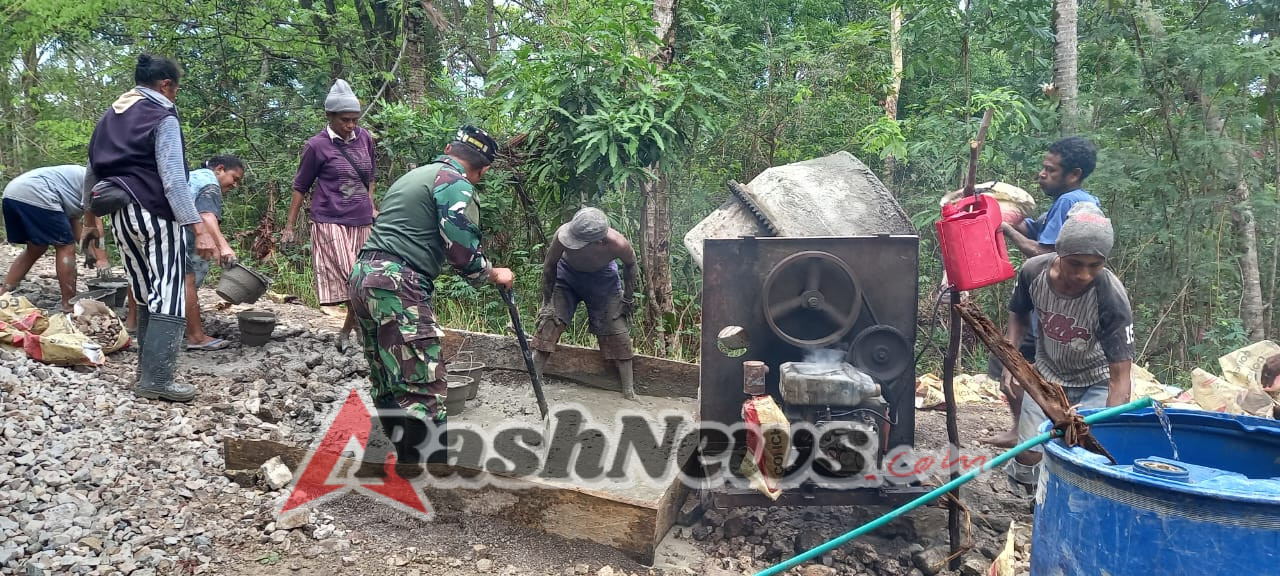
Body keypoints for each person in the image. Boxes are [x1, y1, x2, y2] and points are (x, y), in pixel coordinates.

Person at [348, 125, 513, 462]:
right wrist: (493, 273)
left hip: (364, 275)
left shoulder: (415, 176)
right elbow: (461, 251)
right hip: (397, 283)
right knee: (424, 383)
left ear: (449, 147)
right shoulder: (455, 183)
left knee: (386, 377)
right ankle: (436, 475)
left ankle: (408, 461)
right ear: (483, 169)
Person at [81, 53, 217, 403]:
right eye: (176, 90)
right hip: (156, 212)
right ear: (166, 85)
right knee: (169, 291)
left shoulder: (109, 117)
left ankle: (146, 374)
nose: (175, 97)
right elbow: (172, 179)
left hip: (121, 215)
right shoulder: (162, 115)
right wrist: (197, 226)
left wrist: (88, 218)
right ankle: (157, 379)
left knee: (143, 291)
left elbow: (91, 171)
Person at [1002, 203, 1133, 492]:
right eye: (1076, 263)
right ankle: (1023, 500)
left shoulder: (1111, 297)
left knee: (1081, 451)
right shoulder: (1033, 272)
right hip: (1048, 376)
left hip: (1094, 382)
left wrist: (1110, 425)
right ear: (1060, 254)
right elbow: (1018, 316)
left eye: (1094, 265)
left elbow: (1120, 376)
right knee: (1030, 451)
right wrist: (1011, 362)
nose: (1084, 274)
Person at [983, 136, 1103, 447]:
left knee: (1017, 365)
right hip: (1054, 310)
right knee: (1013, 364)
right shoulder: (1064, 205)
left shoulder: (1072, 201)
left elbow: (1042, 253)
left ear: (1073, 174)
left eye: (1050, 170)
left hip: (1054, 308)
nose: (1042, 174)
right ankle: (1023, 431)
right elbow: (1034, 231)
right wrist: (1006, 212)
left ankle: (1032, 437)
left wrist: (1004, 230)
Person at [282, 79, 378, 350]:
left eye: (355, 120)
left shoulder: (366, 139)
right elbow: (301, 187)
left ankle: (347, 332)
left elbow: (370, 176)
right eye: (345, 120)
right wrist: (289, 225)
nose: (350, 126)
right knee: (350, 277)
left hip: (361, 220)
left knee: (362, 279)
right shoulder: (316, 146)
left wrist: (371, 204)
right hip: (330, 218)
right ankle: (359, 332)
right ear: (330, 116)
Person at [530, 207, 639, 399]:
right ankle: (534, 385)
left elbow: (631, 266)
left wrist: (627, 299)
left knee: (617, 330)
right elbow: (549, 266)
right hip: (566, 277)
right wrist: (547, 304)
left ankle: (629, 391)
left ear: (599, 241)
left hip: (604, 281)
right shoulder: (563, 234)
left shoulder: (617, 244)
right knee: (549, 323)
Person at [1, 165, 89, 311]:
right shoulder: (96, 182)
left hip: (12, 193)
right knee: (65, 246)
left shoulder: (72, 188)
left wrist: (88, 251)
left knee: (35, 248)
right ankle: (69, 304)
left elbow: (76, 225)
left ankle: (3, 294)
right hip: (37, 193)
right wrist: (101, 259)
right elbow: (93, 224)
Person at [184, 155, 244, 351]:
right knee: (187, 281)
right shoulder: (210, 183)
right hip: (175, 238)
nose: (235, 185)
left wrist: (217, 249)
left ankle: (134, 323)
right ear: (219, 169)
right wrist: (225, 247)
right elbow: (206, 215)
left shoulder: (192, 177)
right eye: (234, 178)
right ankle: (196, 336)